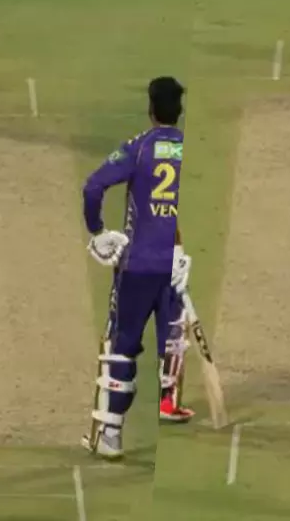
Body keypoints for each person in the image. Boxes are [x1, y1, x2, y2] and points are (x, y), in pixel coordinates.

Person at [81, 76, 195, 460]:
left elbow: (93, 187)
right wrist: (182, 252)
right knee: (172, 342)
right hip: (173, 265)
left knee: (121, 347)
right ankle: (169, 404)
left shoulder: (139, 148)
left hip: (136, 267)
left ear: (151, 109)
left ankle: (110, 435)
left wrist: (97, 231)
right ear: (180, 111)